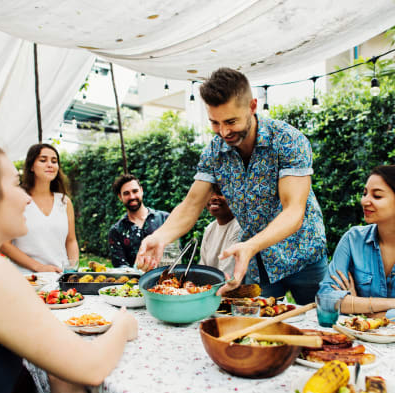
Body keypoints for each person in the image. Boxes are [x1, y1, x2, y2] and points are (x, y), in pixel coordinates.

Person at [136, 67, 327, 304]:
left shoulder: (288, 140)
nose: (223, 132)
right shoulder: (214, 152)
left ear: (252, 106)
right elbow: (191, 205)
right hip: (257, 261)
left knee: (319, 326)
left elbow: (294, 212)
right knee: (256, 330)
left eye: (231, 121)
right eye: (214, 123)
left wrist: (250, 245)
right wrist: (160, 237)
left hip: (304, 255)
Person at [0, 145, 138, 393]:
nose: (26, 198)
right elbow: (90, 367)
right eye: (15, 184)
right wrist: (124, 324)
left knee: (62, 382)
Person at [318, 165, 395, 318]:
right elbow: (326, 299)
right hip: (357, 339)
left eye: (377, 196)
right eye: (365, 193)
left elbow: (342, 304)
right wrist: (390, 304)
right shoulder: (353, 240)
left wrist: (357, 307)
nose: (365, 201)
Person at [0, 143, 78, 273]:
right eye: (43, 160)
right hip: (27, 278)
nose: (50, 164)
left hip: (59, 277)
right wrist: (38, 267)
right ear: (31, 166)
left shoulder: (64, 201)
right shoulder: (18, 199)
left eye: (54, 161)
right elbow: (4, 244)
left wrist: (72, 270)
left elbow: (71, 241)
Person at [109, 174, 170, 268]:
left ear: (141, 191)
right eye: (126, 193)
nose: (132, 196)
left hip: (168, 280)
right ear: (120, 197)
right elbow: (120, 268)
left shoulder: (165, 219)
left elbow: (175, 253)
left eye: (135, 191)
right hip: (134, 282)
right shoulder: (116, 231)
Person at [200, 184, 241, 276]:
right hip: (210, 286)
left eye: (220, 193)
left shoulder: (239, 227)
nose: (213, 197)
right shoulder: (210, 228)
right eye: (210, 194)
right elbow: (203, 267)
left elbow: (227, 274)